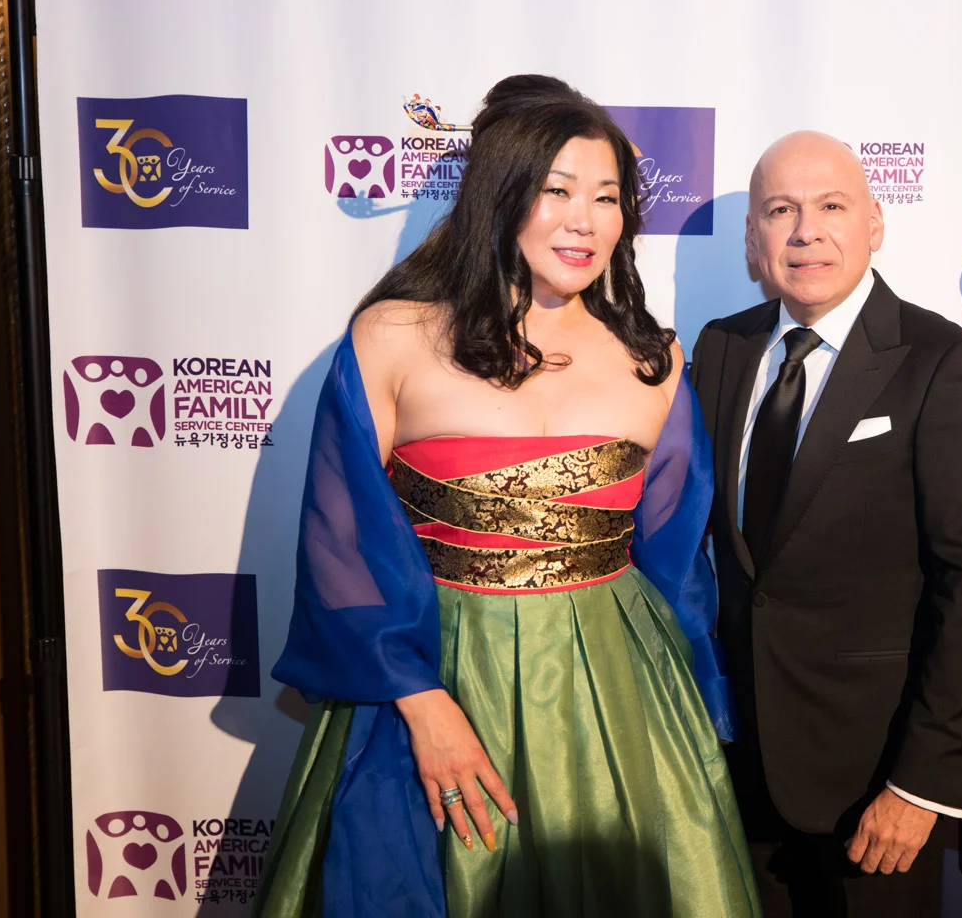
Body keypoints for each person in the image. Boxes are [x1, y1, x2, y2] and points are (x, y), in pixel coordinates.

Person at [255, 76, 760, 917]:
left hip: (617, 692)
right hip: (434, 676)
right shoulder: (394, 336)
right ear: (501, 193)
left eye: (606, 197)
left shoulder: (655, 361)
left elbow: (676, 563)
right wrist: (422, 704)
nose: (584, 220)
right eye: (557, 190)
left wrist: (695, 706)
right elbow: (342, 542)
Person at [689, 131, 962, 917]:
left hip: (876, 784)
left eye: (832, 206)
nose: (806, 232)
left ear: (875, 224)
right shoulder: (723, 347)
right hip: (734, 773)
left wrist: (924, 780)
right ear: (752, 241)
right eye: (781, 210)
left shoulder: (942, 360)